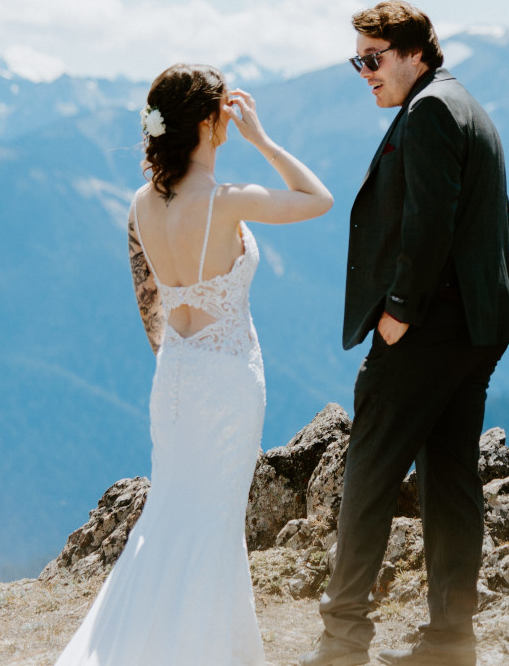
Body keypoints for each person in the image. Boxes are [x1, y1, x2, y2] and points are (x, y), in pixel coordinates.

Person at [54, 63, 333, 666]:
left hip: (174, 377)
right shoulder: (225, 203)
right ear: (210, 121)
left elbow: (148, 298)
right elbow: (320, 199)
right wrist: (262, 140)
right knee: (212, 524)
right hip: (227, 381)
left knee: (172, 515)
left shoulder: (140, 204)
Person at [300, 1, 509, 666]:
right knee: (450, 480)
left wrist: (397, 312)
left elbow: (430, 223)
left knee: (367, 472)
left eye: (373, 58)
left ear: (414, 52)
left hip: (425, 328)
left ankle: (342, 641)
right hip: (475, 327)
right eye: (357, 60)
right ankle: (451, 640)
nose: (364, 71)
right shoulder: (462, 104)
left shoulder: (426, 113)